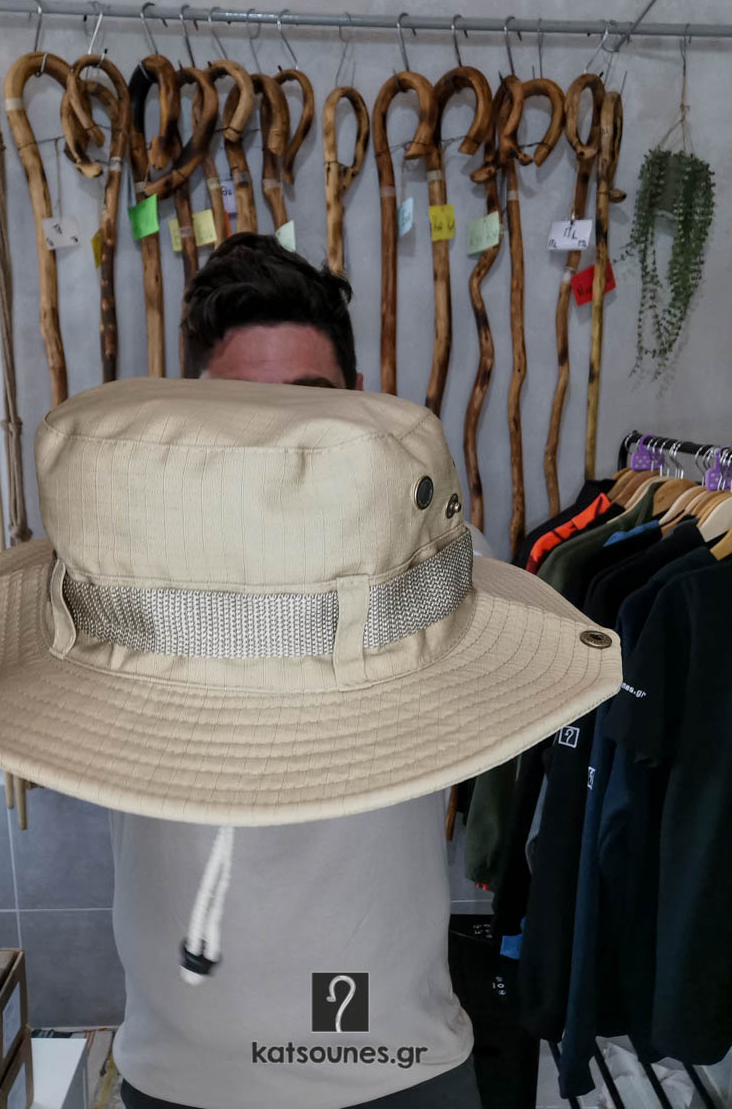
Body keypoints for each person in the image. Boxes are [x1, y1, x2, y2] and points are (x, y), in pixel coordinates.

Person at [114, 233, 485, 1108]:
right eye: (241, 410)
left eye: (307, 404)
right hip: (184, 1073)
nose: (280, 439)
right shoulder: (117, 577)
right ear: (195, 415)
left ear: (357, 402)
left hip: (396, 1061)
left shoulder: (435, 562)